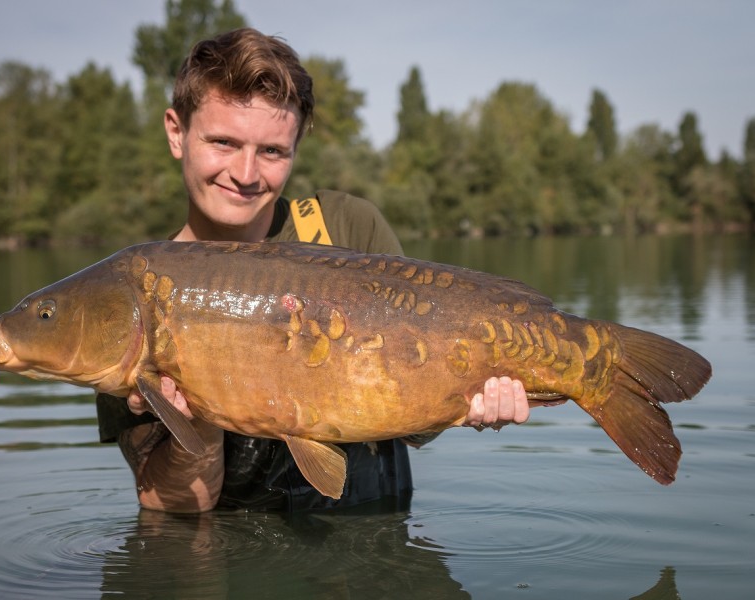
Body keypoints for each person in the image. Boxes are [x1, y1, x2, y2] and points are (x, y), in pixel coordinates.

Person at [96, 28, 530, 514]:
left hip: (380, 544)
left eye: (272, 151)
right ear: (177, 132)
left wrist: (468, 398)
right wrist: (197, 420)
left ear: (298, 144)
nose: (244, 173)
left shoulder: (346, 226)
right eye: (222, 142)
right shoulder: (125, 305)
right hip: (242, 560)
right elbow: (171, 505)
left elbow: (414, 406)